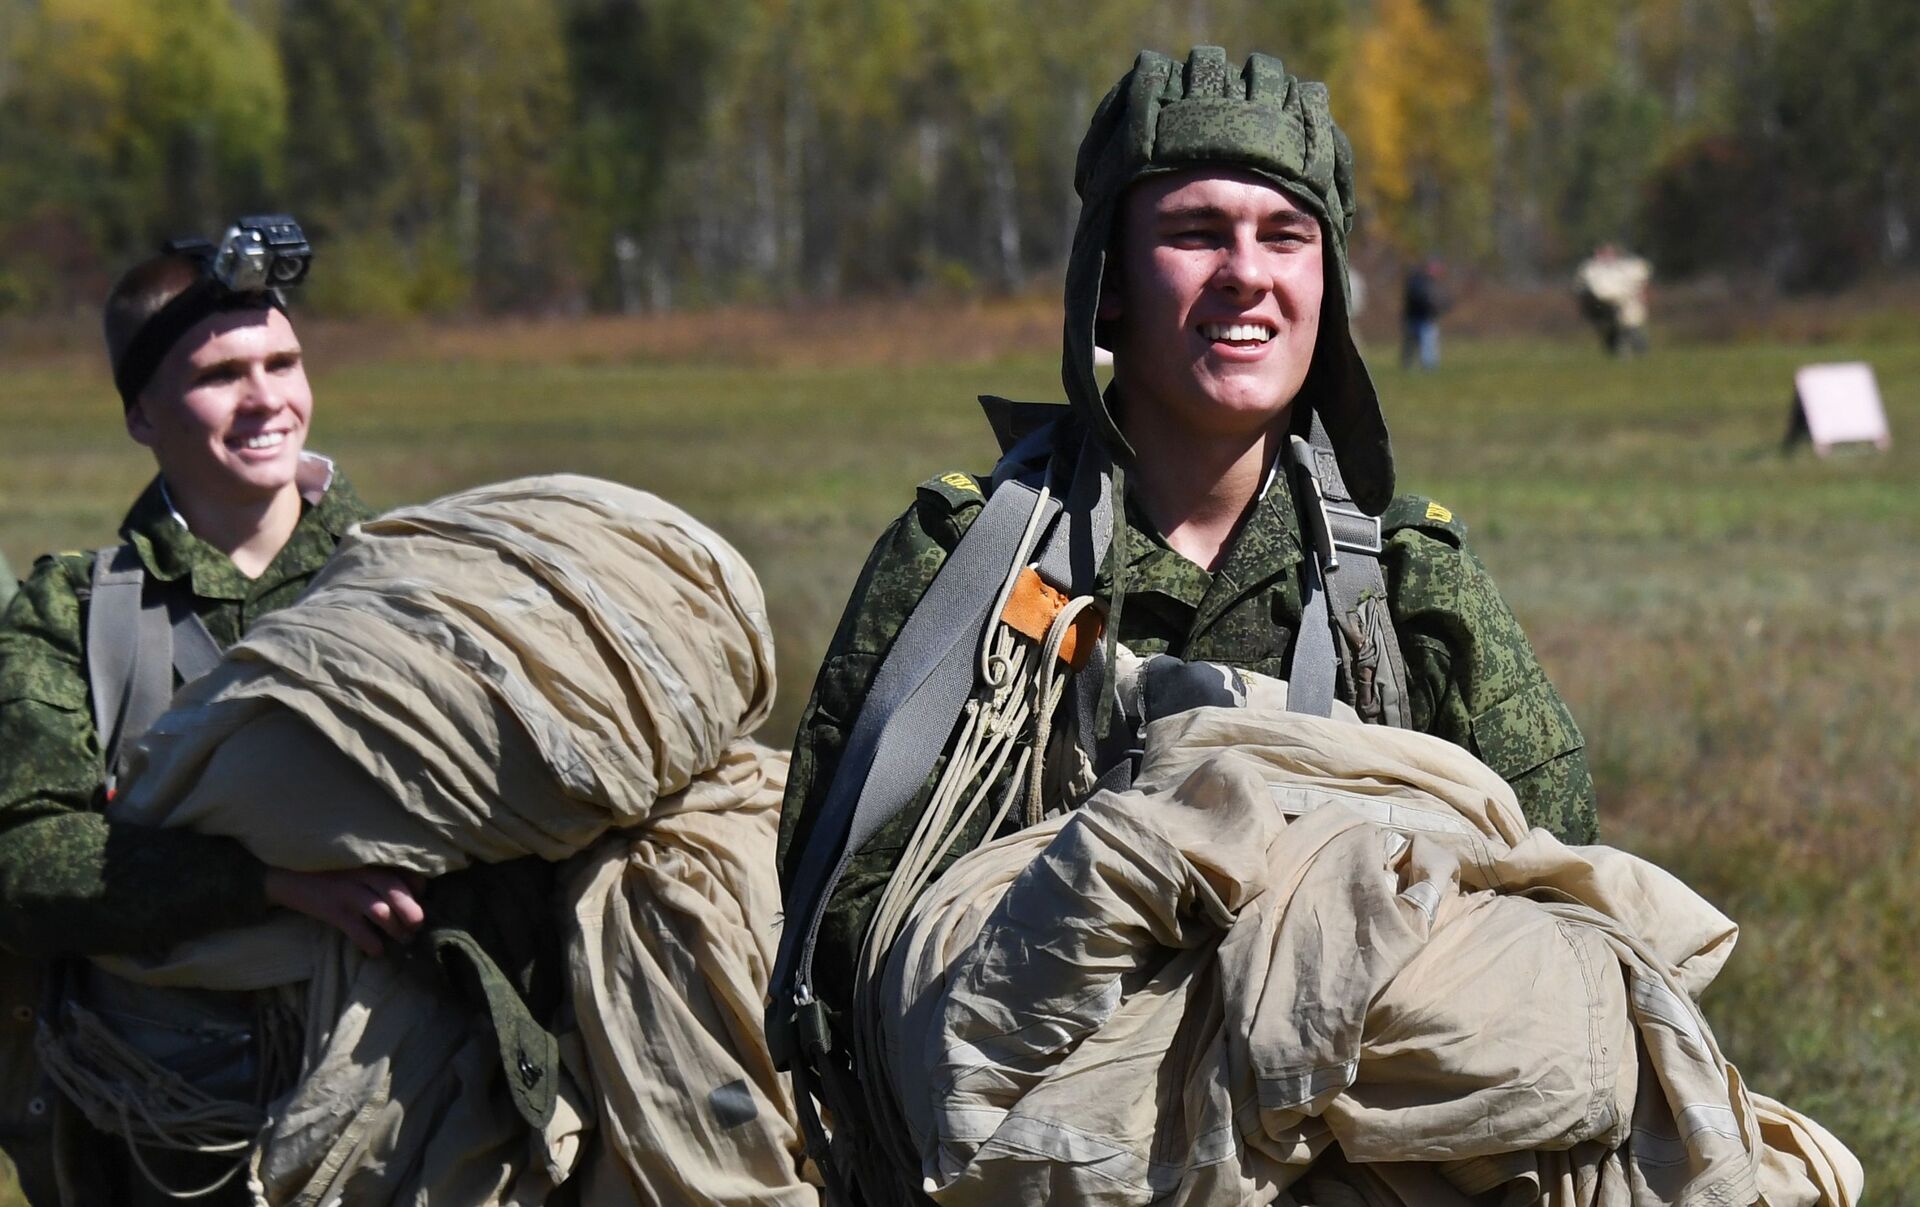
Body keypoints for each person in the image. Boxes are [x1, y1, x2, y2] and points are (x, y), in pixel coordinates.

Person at [773, 47, 1597, 1197]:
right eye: (1197, 233)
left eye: (1286, 236)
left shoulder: (1412, 600)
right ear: (1107, 282)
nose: (1246, 276)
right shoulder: (959, 576)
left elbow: (1557, 906)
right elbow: (850, 930)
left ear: (1329, 284)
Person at [0, 233, 424, 1206]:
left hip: (409, 1113)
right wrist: (268, 884)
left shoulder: (413, 580)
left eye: (283, 362)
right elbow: (24, 858)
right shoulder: (72, 609)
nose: (267, 397)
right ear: (143, 414)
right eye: (221, 373)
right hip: (158, 1132)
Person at [1574, 242, 1652, 355]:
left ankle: (1639, 349)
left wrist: (1641, 294)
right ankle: (1619, 350)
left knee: (1631, 325)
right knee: (1612, 328)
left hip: (1626, 302)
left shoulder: (1626, 267)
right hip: (1603, 305)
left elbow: (1640, 281)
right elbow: (1582, 288)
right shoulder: (1591, 269)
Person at [1400, 255, 1447, 369]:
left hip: (1426, 319)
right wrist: (1434, 306)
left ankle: (1427, 368)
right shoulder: (1419, 281)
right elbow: (1422, 299)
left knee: (1426, 346)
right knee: (1418, 346)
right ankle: (1417, 368)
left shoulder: (1431, 282)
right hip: (1417, 318)